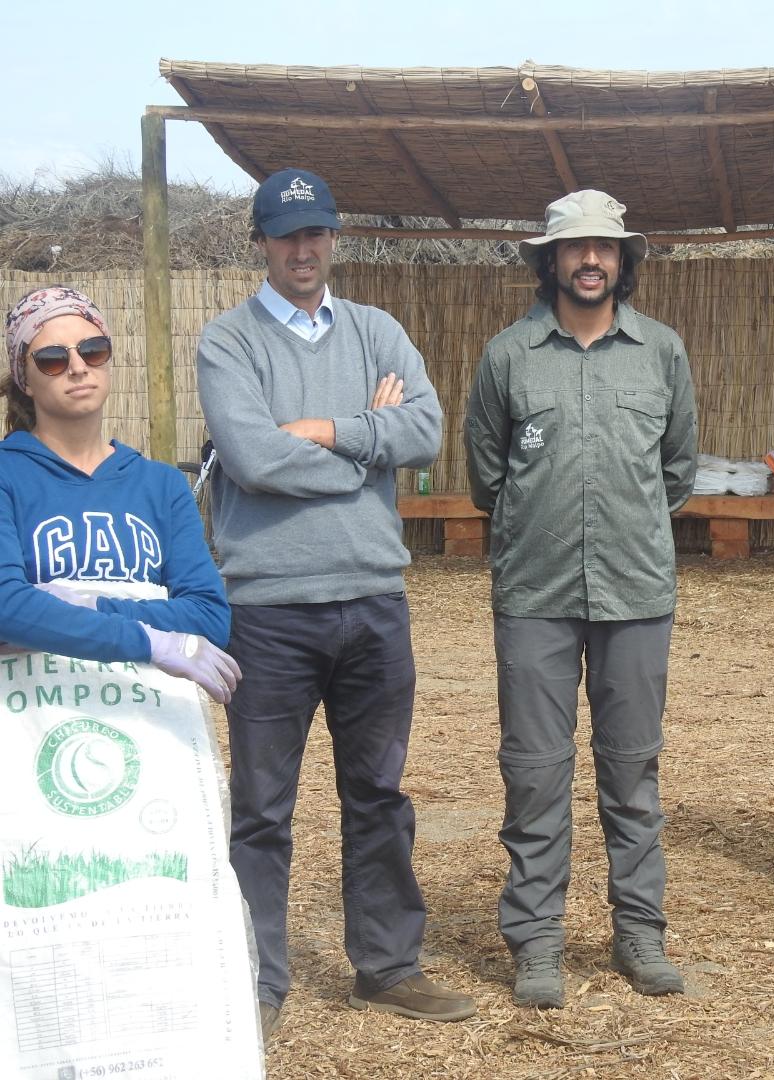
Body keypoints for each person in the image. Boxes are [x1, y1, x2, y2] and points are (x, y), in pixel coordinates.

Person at [197, 168, 474, 1041]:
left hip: (374, 603)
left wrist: (323, 430)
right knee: (261, 810)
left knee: (380, 795)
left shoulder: (375, 329)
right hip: (271, 611)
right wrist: (367, 444)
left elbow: (425, 434)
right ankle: (254, 978)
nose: (303, 249)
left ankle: (387, 966)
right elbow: (251, 459)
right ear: (261, 243)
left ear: (333, 238)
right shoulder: (227, 344)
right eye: (286, 234)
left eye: (315, 233)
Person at [464, 189, 698, 1009]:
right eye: (575, 248)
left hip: (636, 591)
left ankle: (639, 935)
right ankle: (536, 944)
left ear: (623, 259)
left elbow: (676, 473)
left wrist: (623, 528)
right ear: (550, 260)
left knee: (631, 774)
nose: (591, 260)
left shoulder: (661, 352)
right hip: (534, 593)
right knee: (534, 772)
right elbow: (486, 475)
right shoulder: (509, 357)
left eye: (605, 247)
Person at [1, 285, 238, 702]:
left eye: (92, 350)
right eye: (53, 359)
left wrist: (85, 607)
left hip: (146, 728)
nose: (77, 367)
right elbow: (7, 606)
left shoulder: (161, 486)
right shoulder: (8, 475)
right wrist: (155, 640)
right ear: (27, 380)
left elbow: (209, 616)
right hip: (30, 729)